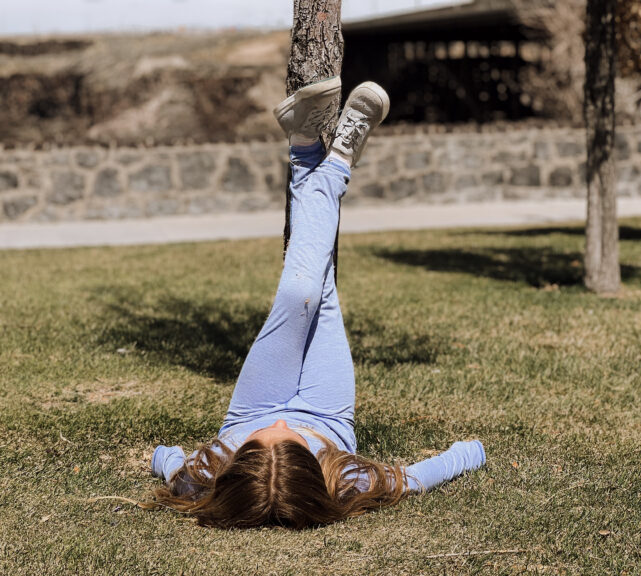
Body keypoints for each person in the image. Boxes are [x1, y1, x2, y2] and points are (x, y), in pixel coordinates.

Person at [144, 78, 486, 529]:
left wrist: (162, 460)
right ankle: (308, 151)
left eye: (264, 442)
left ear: (238, 462)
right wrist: (471, 454)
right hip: (328, 408)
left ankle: (332, 160)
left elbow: (166, 460)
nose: (285, 427)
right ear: (317, 473)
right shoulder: (347, 481)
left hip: (254, 402)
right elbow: (416, 478)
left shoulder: (204, 475)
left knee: (299, 293)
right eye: (296, 447)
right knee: (319, 283)